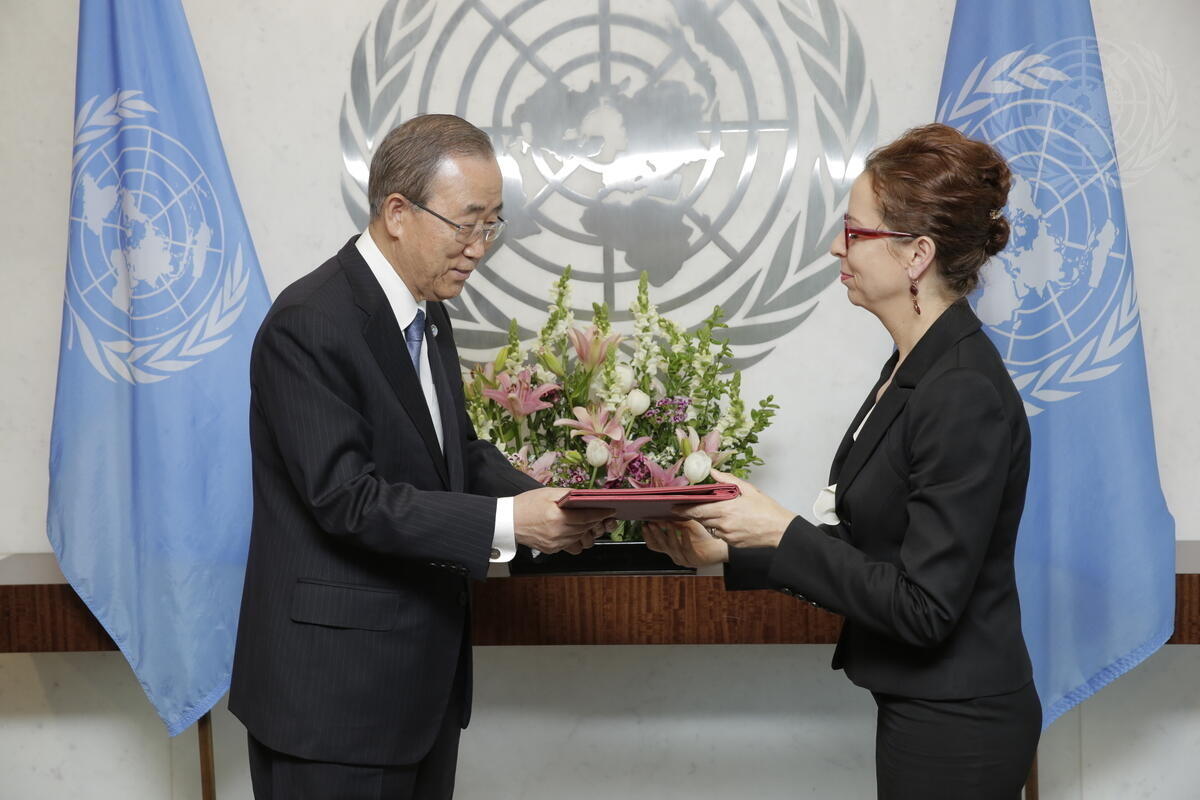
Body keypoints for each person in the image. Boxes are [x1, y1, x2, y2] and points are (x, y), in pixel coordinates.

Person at [645, 123, 1040, 799]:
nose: (837, 246)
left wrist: (780, 530)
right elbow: (877, 547)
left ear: (916, 255)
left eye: (855, 232)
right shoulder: (915, 365)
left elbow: (924, 607)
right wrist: (732, 549)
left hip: (961, 725)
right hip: (927, 711)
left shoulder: (960, 390)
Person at [229, 114, 611, 800]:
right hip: (332, 700)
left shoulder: (427, 310)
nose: (480, 248)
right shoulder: (310, 322)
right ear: (398, 213)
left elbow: (452, 453)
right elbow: (347, 499)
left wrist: (558, 505)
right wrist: (510, 522)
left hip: (419, 690)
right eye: (466, 224)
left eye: (492, 225)